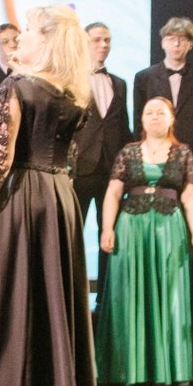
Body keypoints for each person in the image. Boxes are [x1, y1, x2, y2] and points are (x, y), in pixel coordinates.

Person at [0, 6, 98, 386]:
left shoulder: (16, 86)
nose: (19, 36)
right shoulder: (75, 94)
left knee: (13, 295)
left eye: (27, 29)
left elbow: (0, 158)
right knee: (53, 300)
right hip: (59, 199)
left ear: (45, 40)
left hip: (23, 197)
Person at [96, 97, 193, 386]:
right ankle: (128, 369)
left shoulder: (183, 153)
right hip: (132, 227)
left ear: (172, 118)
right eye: (149, 112)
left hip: (169, 227)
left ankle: (167, 369)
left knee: (170, 291)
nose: (155, 116)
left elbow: (190, 197)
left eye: (161, 112)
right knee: (130, 291)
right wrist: (107, 227)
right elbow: (113, 192)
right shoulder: (129, 151)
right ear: (142, 120)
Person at [72, 20, 130, 251]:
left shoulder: (119, 83)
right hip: (80, 169)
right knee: (73, 234)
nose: (103, 45)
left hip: (112, 170)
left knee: (110, 235)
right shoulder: (72, 81)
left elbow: (123, 127)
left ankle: (108, 277)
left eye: (107, 40)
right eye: (97, 40)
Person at [133, 16, 193, 159]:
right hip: (154, 153)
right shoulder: (144, 77)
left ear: (190, 44)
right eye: (171, 38)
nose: (176, 44)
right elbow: (138, 120)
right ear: (162, 43)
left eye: (182, 39)